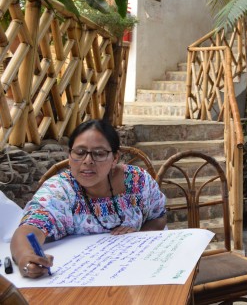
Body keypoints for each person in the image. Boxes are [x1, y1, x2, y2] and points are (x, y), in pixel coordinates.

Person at [10, 119, 166, 279]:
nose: (88, 161)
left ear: (115, 158)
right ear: (69, 155)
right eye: (79, 152)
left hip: (135, 272)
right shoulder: (60, 191)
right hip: (80, 278)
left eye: (99, 154)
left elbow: (159, 217)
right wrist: (26, 258)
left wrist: (139, 236)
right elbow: (29, 229)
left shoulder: (137, 181)